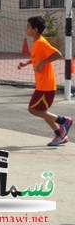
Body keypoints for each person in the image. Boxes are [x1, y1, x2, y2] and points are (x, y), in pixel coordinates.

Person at [17, 16, 72, 146]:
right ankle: (60, 135)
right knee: (43, 113)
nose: (26, 28)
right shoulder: (36, 43)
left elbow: (57, 54)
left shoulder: (41, 42)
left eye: (28, 26)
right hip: (43, 85)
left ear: (35, 30)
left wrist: (42, 63)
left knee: (33, 110)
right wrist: (26, 63)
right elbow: (37, 58)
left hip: (46, 86)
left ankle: (64, 121)